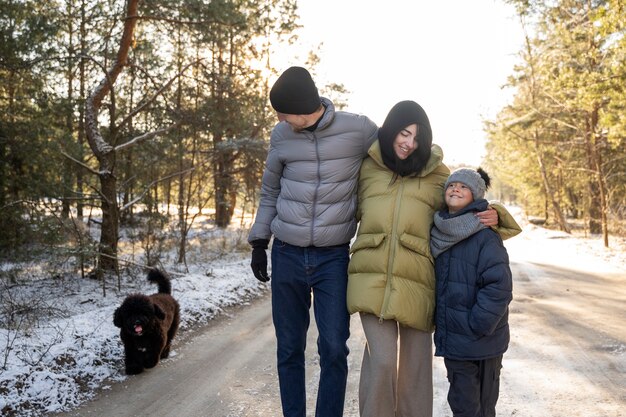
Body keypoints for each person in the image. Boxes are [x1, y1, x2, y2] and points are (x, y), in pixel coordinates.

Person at [346, 101, 521, 417]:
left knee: (415, 371)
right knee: (382, 361)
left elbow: (466, 198)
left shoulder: (437, 174)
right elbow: (340, 205)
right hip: (372, 279)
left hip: (420, 282)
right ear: (390, 131)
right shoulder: (367, 168)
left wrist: (496, 215)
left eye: (416, 137)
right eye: (403, 133)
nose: (409, 143)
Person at [247, 66, 379, 417]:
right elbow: (270, 190)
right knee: (289, 348)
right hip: (287, 254)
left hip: (332, 258)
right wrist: (260, 241)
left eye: (282, 111)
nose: (278, 118)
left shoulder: (358, 129)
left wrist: (463, 189)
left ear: (303, 107)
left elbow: (399, 158)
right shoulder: (282, 135)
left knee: (335, 348)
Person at [430, 167, 513, 417]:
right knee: (463, 405)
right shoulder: (437, 231)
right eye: (452, 185)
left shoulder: (484, 234)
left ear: (475, 195)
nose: (456, 189)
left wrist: (478, 324)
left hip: (484, 338)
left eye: (464, 186)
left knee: (484, 407)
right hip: (455, 341)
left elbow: (499, 285)